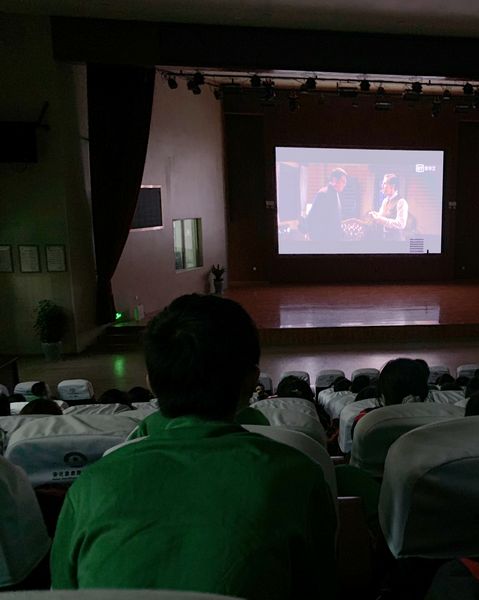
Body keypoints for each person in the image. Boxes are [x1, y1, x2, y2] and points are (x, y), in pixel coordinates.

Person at [51, 294, 336, 599]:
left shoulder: (91, 484)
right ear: (251, 381)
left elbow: (63, 589)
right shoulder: (296, 475)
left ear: (151, 382)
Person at [305, 167, 347, 241]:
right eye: (343, 181)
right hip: (324, 239)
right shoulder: (323, 194)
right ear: (334, 180)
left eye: (345, 182)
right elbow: (312, 219)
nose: (344, 184)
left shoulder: (336, 193)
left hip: (333, 238)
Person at [369, 173, 408, 241]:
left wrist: (379, 219)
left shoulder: (401, 202)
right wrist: (375, 214)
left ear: (392, 186)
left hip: (396, 241)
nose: (382, 186)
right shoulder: (385, 201)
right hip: (385, 238)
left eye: (384, 183)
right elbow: (382, 216)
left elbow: (401, 224)